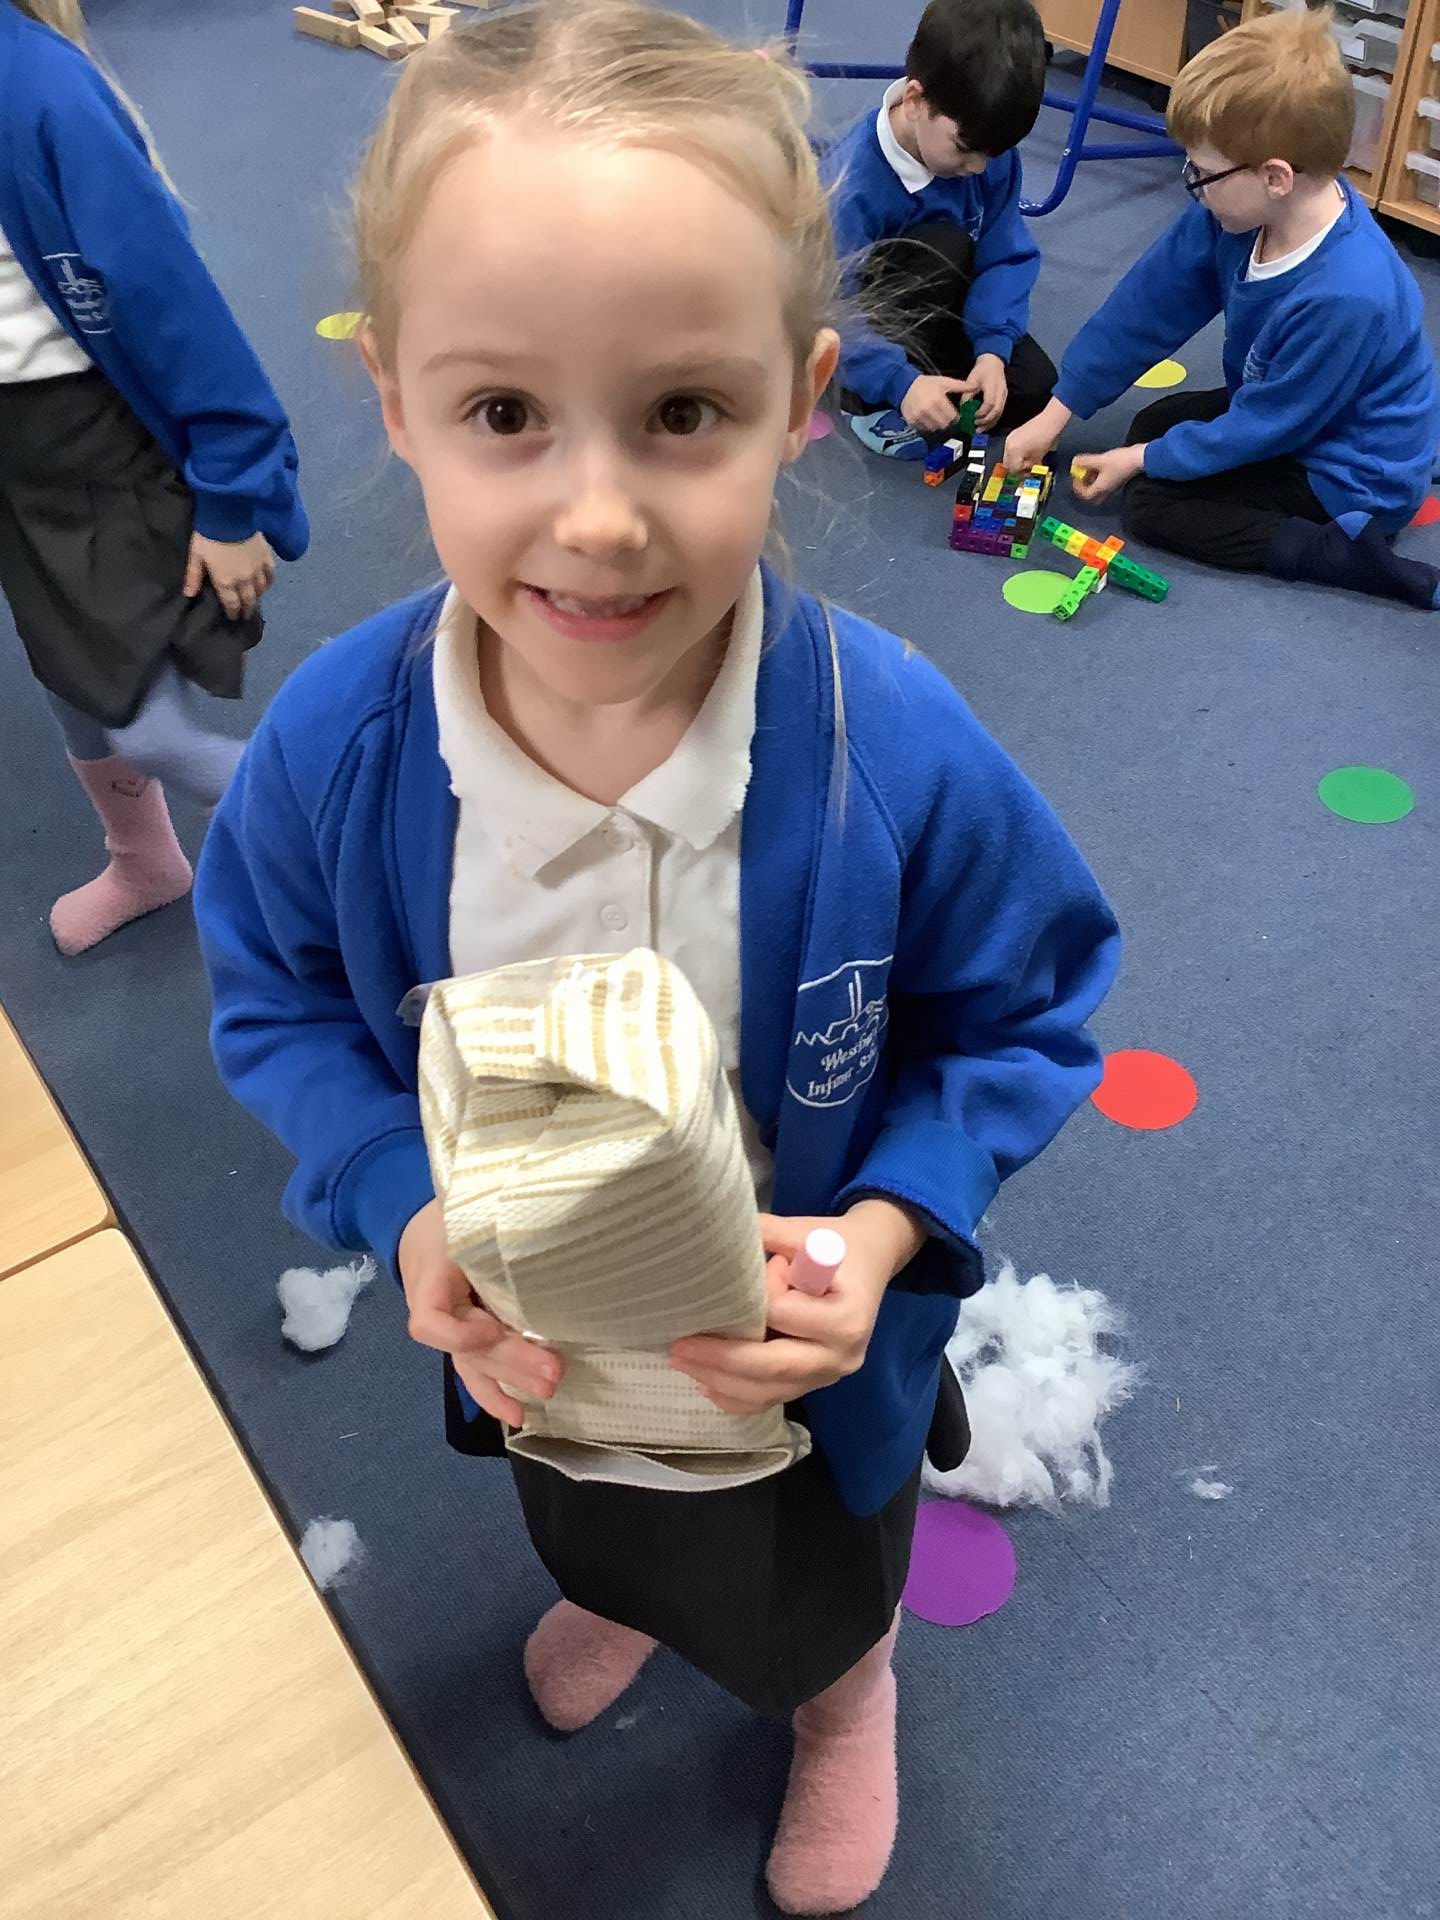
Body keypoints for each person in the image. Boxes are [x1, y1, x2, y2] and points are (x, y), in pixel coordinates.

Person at [194, 6, 1119, 1912]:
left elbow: (1024, 1012)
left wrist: (886, 1236)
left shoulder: (889, 746)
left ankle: (845, 1703)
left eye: (684, 412)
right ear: (394, 398)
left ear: (802, 398)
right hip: (546, 1343)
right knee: (597, 1519)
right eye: (504, 414)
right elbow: (276, 1001)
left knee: (823, 1575)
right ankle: (633, 1598)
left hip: (809, 1361)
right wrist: (401, 1200)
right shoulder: (340, 754)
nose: (599, 518)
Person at [0, 0, 308, 955]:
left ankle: (356, 831)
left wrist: (232, 496)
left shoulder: (38, 91)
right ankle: (143, 860)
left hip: (96, 451)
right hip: (17, 460)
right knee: (68, 675)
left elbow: (177, 308)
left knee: (149, 729)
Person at [1004, 6, 1440, 610]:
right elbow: (1148, 305)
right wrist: (1059, 410)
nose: (1193, 182)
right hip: (1295, 409)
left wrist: (1141, 461)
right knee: (1157, 424)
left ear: (1276, 178)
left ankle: (1336, 553)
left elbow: (1268, 424)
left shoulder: (1348, 295)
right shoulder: (1237, 212)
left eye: (1203, 172)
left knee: (1153, 504)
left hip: (1350, 472)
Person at [819, 0, 1055, 461]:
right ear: (914, 102)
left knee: (1035, 388)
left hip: (942, 308)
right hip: (863, 327)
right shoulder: (851, 184)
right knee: (943, 245)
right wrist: (898, 382)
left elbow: (1004, 253)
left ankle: (931, 380)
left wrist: (992, 349)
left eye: (993, 153)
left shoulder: (985, 148)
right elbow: (831, 307)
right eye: (965, 148)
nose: (980, 167)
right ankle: (865, 400)